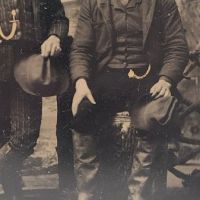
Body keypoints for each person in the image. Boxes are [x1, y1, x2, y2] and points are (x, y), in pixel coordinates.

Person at [70, 0, 189, 200]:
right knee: (83, 109)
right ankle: (86, 191)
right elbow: (81, 48)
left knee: (155, 114)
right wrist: (81, 82)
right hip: (107, 76)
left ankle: (137, 193)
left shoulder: (162, 3)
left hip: (148, 77)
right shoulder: (93, 3)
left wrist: (166, 80)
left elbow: (177, 45)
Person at [0, 0, 68, 199]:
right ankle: (12, 190)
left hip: (26, 71)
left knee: (25, 138)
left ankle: (7, 175)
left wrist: (55, 36)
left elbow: (58, 17)